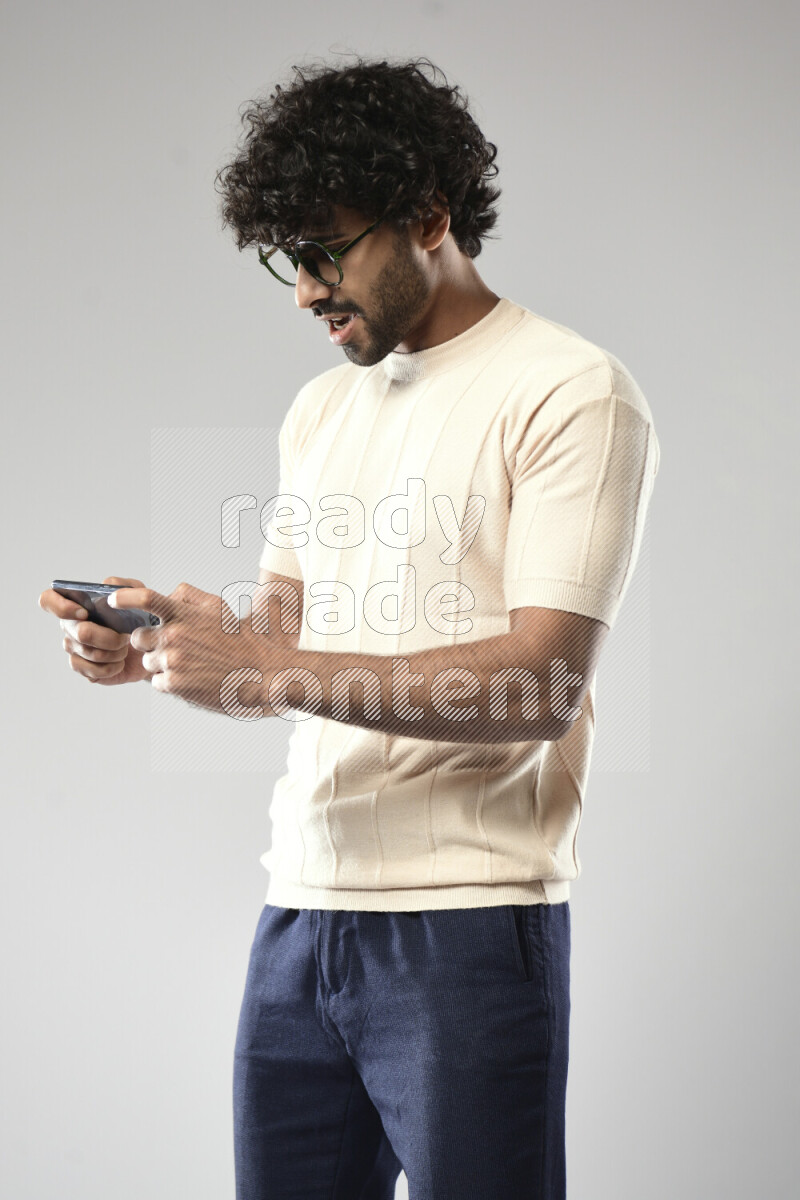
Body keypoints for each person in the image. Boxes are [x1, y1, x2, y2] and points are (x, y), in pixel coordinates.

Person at [39, 56, 660, 1200]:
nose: (301, 291)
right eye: (288, 260)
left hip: (465, 929)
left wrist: (269, 671)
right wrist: (170, 640)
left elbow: (540, 687)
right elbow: (282, 629)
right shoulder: (321, 407)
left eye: (325, 252)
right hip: (299, 907)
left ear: (429, 215)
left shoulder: (569, 390)